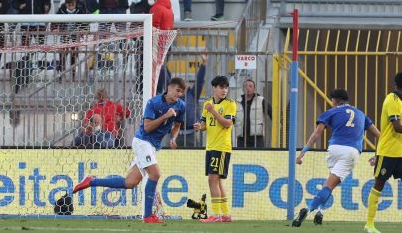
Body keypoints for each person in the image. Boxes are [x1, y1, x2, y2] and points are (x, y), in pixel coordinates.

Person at [73, 77, 187, 224]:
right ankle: (147, 216)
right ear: (169, 88)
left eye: (182, 92)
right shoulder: (154, 103)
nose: (179, 94)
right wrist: (165, 116)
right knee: (155, 174)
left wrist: (173, 138)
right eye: (177, 90)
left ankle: (91, 181)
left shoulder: (181, 106)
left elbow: (177, 125)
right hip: (142, 141)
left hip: (153, 146)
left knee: (130, 182)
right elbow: (146, 128)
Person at [292, 89, 381, 227]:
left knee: (330, 183)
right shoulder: (361, 114)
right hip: (351, 152)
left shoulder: (331, 112)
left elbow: (318, 132)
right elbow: (380, 136)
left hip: (334, 149)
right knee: (330, 185)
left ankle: (320, 211)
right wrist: (378, 155)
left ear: (335, 100)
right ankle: (308, 209)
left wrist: (303, 152)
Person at [364, 71, 402, 233]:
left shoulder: (400, 101)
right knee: (379, 184)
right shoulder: (391, 100)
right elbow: (396, 127)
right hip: (387, 152)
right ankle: (369, 224)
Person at [193, 75, 237, 222]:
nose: (224, 90)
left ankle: (216, 215)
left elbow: (227, 123)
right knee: (217, 181)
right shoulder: (207, 104)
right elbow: (205, 123)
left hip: (222, 147)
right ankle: (225, 215)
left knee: (213, 179)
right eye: (221, 87)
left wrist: (213, 111)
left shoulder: (230, 104)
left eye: (226, 87)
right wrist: (200, 126)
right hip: (210, 147)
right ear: (214, 88)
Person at [54, 0, 87, 80]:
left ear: (76, 3)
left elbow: (85, 23)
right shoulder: (61, 11)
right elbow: (54, 21)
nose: (71, 7)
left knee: (73, 56)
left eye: (73, 5)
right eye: (69, 5)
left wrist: (84, 29)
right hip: (64, 37)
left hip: (75, 38)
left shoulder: (80, 11)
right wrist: (55, 28)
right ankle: (61, 74)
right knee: (62, 57)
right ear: (66, 4)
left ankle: (73, 76)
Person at [235, 79, 272, 148]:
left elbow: (272, 114)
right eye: (245, 86)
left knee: (258, 158)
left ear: (254, 88)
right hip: (241, 139)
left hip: (257, 139)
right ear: (243, 89)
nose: (248, 88)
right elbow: (232, 118)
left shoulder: (261, 101)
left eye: (250, 86)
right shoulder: (237, 102)